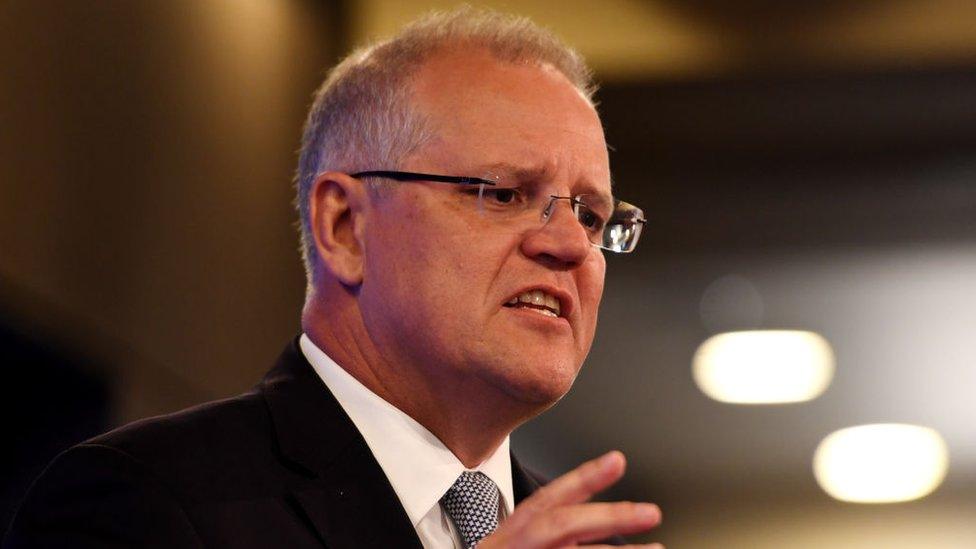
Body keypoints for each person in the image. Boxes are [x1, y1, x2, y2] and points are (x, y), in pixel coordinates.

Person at [4, 7, 658, 548]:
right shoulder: (142, 503)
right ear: (345, 226)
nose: (571, 243)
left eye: (594, 215)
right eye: (506, 193)